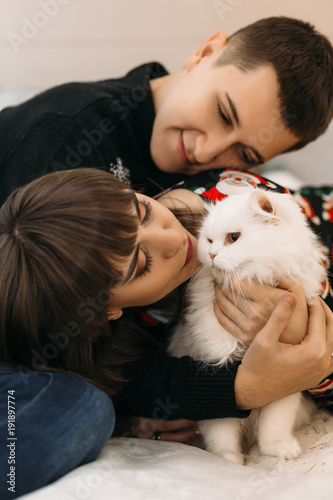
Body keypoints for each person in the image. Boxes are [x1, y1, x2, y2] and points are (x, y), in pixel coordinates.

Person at [0, 168, 333, 498]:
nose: (174, 238)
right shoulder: (81, 339)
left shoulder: (225, 194)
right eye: (142, 264)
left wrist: (301, 329)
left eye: (142, 211)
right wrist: (241, 390)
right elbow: (132, 380)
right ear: (107, 313)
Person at [0, 17, 332, 205]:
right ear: (205, 52)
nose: (205, 153)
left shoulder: (227, 187)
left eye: (244, 152)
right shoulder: (66, 133)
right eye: (223, 113)